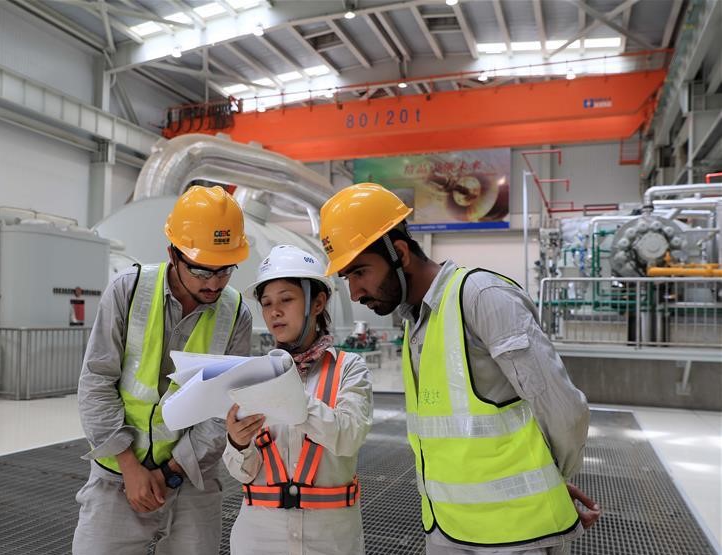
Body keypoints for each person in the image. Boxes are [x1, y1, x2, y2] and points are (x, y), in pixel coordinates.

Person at [318, 183, 601, 554]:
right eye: (347, 279)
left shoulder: (481, 297)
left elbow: (565, 411)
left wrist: (552, 478)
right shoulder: (415, 321)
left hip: (513, 537)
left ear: (399, 253)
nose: (354, 292)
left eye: (359, 273)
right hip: (447, 530)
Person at [72, 185, 253, 555]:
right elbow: (96, 383)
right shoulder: (128, 290)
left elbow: (222, 409)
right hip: (118, 473)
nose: (215, 283)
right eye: (203, 270)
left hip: (193, 476)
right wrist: (130, 466)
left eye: (225, 271)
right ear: (173, 254)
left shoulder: (236, 314)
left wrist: (171, 471)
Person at [223, 244, 373, 554]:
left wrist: (289, 396)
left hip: (330, 541)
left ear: (318, 303)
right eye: (266, 303)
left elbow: (348, 437)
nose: (274, 311)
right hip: (260, 539)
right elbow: (241, 472)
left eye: (286, 299)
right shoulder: (253, 374)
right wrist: (237, 444)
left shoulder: (349, 368)